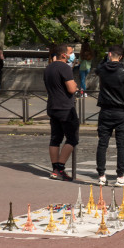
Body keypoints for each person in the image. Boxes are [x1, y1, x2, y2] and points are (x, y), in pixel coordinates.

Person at [94, 45, 124, 186]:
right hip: (122, 111)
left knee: (102, 144)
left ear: (110, 54)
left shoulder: (102, 70)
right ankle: (120, 176)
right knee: (121, 146)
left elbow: (97, 68)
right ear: (121, 57)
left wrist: (104, 58)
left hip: (105, 111)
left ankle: (101, 175)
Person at [44, 44, 79, 181]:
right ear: (64, 55)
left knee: (55, 138)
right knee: (72, 138)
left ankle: (54, 169)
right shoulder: (65, 67)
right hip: (65, 107)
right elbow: (71, 89)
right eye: (71, 52)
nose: (72, 54)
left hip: (52, 105)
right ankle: (60, 168)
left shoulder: (48, 68)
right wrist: (75, 85)